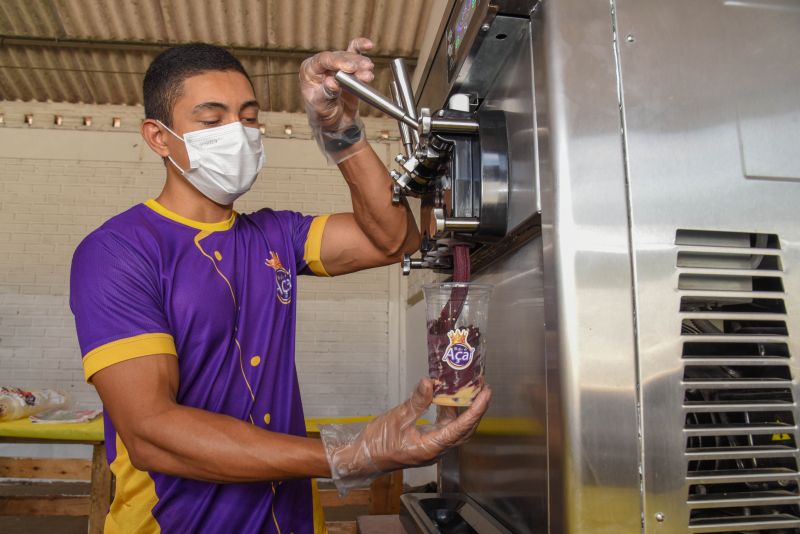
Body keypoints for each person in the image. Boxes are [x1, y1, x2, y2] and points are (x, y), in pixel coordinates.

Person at [69, 37, 491, 533]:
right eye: (211, 120)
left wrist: (339, 129)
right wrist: (348, 455)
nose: (237, 133)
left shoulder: (275, 234)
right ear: (159, 137)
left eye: (248, 117)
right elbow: (151, 433)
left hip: (291, 520)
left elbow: (394, 238)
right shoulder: (118, 251)